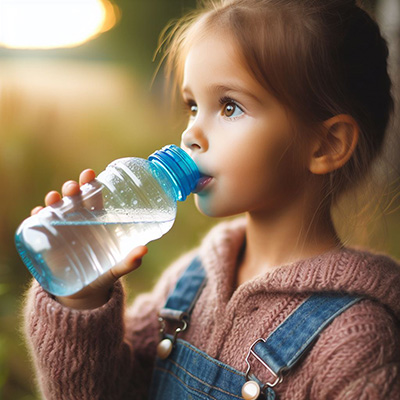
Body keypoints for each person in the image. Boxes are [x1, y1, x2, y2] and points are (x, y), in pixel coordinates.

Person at [23, 0, 400, 399]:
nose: (191, 135)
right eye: (192, 106)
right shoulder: (189, 282)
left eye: (230, 106)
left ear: (325, 144)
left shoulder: (354, 346)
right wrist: (82, 299)